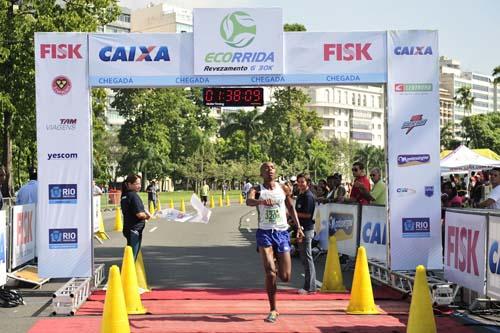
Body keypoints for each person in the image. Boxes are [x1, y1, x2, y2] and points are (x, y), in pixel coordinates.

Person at [246, 162, 304, 323]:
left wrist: (298, 227)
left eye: (272, 168)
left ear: (275, 171)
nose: (269, 170)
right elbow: (248, 201)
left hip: (282, 233)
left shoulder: (283, 188)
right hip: (264, 233)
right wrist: (260, 202)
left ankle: (276, 264)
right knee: (270, 272)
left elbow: (291, 208)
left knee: (285, 277)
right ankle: (273, 309)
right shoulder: (257, 190)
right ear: (261, 173)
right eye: (266, 168)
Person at [295, 173, 317, 294]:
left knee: (307, 257)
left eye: (303, 182)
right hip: (300, 229)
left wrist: (293, 214)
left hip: (307, 229)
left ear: (307, 183)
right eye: (299, 182)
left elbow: (308, 215)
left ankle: (311, 287)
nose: (300, 184)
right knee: (303, 257)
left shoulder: (309, 197)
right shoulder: (301, 195)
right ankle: (308, 285)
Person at [121, 175, 151, 260]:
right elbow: (139, 214)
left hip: (129, 228)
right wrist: (147, 216)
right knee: (132, 256)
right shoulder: (133, 196)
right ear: (129, 184)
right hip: (134, 230)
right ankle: (129, 272)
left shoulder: (125, 195)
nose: (139, 186)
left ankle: (130, 270)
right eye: (137, 184)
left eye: (140, 183)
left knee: (130, 253)